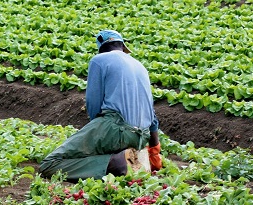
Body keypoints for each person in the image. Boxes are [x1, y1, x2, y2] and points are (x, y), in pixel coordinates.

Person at [39, 30, 162, 181]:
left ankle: (117, 164)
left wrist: (97, 133)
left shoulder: (99, 60)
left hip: (115, 129)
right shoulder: (140, 66)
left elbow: (94, 104)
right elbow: (152, 116)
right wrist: (154, 151)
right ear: (123, 47)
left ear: (101, 48)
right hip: (141, 137)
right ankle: (135, 159)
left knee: (50, 164)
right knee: (107, 144)